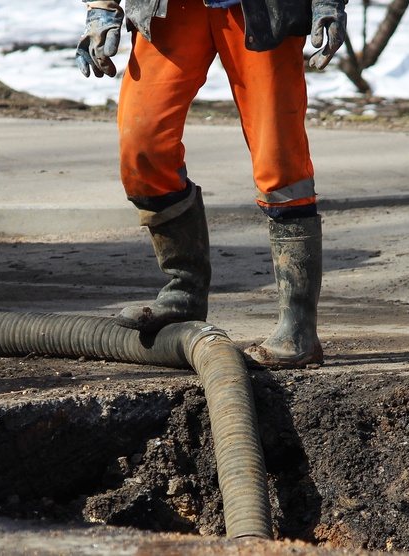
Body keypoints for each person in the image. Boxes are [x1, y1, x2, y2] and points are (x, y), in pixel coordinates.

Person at [75, 0, 346, 368]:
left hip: (261, 10)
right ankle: (184, 292)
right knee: (143, 145)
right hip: (170, 9)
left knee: (279, 157)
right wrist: (101, 8)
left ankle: (298, 328)